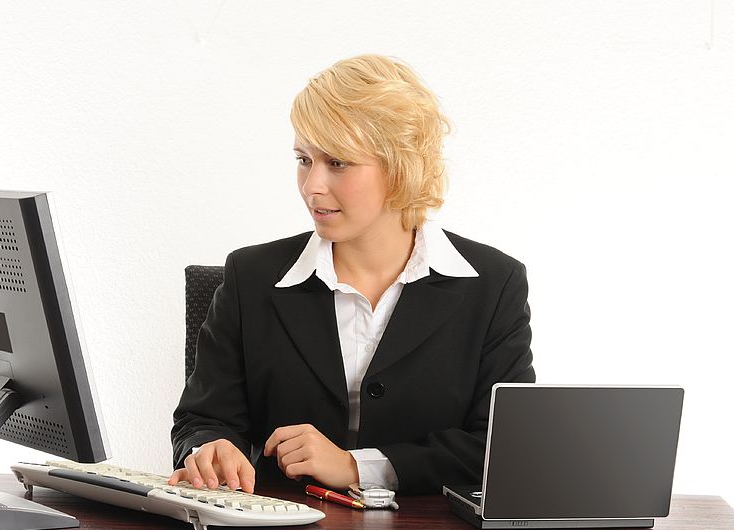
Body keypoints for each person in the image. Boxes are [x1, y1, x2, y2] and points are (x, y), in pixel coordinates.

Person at [169, 54, 534, 495]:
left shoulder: (494, 284)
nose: (311, 186)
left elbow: (498, 449)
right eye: (304, 159)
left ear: (401, 167)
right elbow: (202, 419)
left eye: (337, 163)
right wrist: (209, 448)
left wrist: (357, 467)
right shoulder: (250, 276)